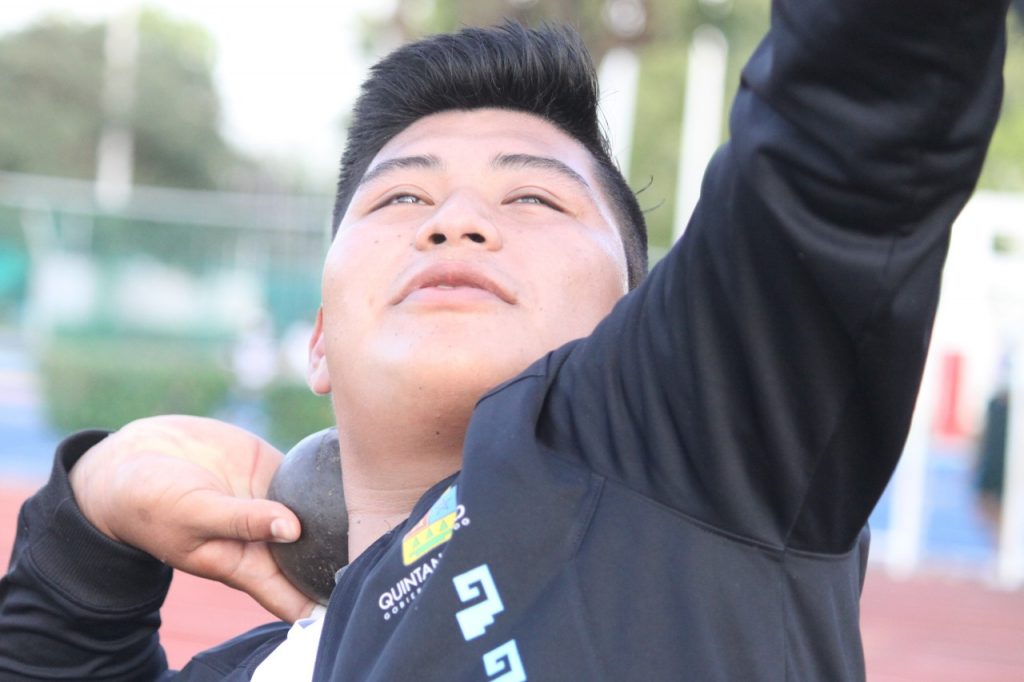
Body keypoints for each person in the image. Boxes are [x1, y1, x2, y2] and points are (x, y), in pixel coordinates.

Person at [0, 1, 1011, 679]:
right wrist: (86, 534)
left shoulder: (693, 464)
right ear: (319, 342)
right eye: (401, 198)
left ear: (642, 317)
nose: (455, 222)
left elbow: (861, 109)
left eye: (532, 196)